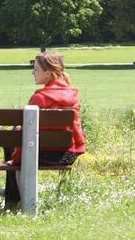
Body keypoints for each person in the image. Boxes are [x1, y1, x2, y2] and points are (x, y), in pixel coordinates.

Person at [5, 52, 87, 208]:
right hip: (67, 155)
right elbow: (76, 129)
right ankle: (12, 196)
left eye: (35, 69)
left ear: (48, 73)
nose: (32, 72)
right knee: (15, 135)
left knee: (13, 137)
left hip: (38, 155)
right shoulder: (73, 95)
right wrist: (78, 150)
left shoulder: (39, 98)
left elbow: (26, 137)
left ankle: (13, 200)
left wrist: (15, 160)